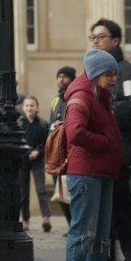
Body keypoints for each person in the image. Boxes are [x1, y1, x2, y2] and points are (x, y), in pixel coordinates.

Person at [60, 49, 128, 261]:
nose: (113, 79)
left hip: (102, 173)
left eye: (114, 74)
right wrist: (106, 143)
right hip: (86, 174)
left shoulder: (101, 97)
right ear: (95, 74)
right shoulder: (81, 97)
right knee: (81, 233)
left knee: (100, 235)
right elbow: (75, 132)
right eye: (108, 74)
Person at [88, 18, 131, 261]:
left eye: (101, 36)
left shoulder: (126, 72)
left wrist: (100, 112)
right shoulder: (95, 72)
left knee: (121, 208)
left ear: (116, 40)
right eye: (93, 37)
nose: (96, 41)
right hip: (102, 153)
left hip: (120, 153)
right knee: (106, 210)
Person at [18, 96, 52, 233]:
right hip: (23, 161)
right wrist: (27, 152)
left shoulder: (43, 124)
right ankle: (25, 220)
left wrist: (38, 151)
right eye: (27, 106)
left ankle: (46, 217)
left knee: (41, 189)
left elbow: (47, 144)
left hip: (38, 160)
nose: (29, 108)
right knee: (23, 193)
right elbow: (18, 142)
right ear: (23, 108)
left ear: (36, 108)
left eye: (32, 105)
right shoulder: (19, 124)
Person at [48, 66, 76, 228]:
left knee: (70, 192)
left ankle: (74, 224)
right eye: (59, 77)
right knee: (60, 193)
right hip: (56, 153)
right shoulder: (55, 101)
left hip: (69, 153)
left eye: (65, 77)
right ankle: (70, 224)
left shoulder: (73, 98)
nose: (61, 80)